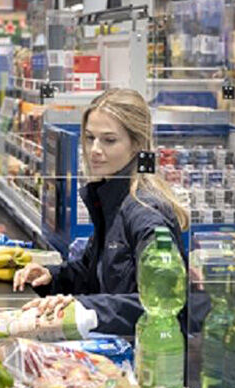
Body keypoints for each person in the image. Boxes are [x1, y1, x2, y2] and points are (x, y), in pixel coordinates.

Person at [13, 89, 189, 336]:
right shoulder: (112, 198)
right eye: (89, 137)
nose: (94, 149)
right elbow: (91, 274)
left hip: (145, 357)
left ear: (137, 145)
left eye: (109, 140)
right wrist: (51, 278)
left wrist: (85, 307)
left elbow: (164, 306)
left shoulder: (146, 212)